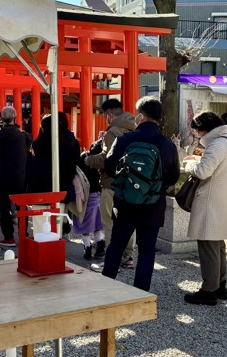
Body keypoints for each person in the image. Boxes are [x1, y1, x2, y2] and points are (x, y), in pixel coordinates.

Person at [99, 97, 180, 291]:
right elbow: (173, 177)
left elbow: (109, 167)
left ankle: (105, 287)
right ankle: (140, 291)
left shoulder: (124, 139)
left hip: (125, 202)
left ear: (141, 116)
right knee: (146, 250)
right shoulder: (167, 145)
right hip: (153, 205)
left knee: (116, 245)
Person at [182, 111, 227, 306]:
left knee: (208, 247)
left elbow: (203, 171)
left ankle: (209, 290)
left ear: (204, 129)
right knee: (217, 246)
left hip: (210, 201)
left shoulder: (216, 145)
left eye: (197, 130)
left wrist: (189, 164)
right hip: (221, 201)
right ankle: (220, 285)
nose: (196, 135)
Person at [85, 98, 137, 265]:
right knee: (129, 221)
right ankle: (128, 256)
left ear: (109, 115)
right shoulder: (136, 129)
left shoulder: (113, 132)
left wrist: (88, 159)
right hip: (133, 184)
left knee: (109, 221)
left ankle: (112, 256)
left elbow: (106, 159)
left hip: (112, 183)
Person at [0, 106, 31, 246]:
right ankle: (23, 235)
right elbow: (30, 142)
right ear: (15, 118)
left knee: (4, 208)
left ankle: (9, 237)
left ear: (1, 119)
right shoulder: (23, 136)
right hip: (19, 177)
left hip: (1, 177)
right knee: (22, 207)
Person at [29, 114, 80, 197]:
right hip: (62, 190)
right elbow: (71, 168)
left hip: (39, 191)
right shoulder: (66, 146)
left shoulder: (36, 146)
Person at [73, 141, 106, 260]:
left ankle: (87, 248)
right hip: (97, 198)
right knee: (98, 225)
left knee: (84, 226)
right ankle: (101, 246)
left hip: (84, 200)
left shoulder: (79, 166)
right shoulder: (99, 167)